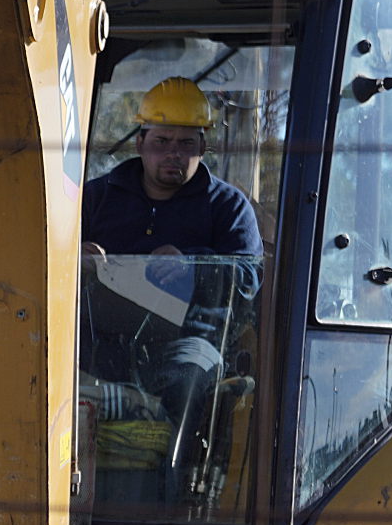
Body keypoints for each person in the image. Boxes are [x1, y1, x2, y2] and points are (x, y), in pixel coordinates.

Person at [79, 76, 263, 443]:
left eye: (185, 144)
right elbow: (48, 250)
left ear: (203, 147)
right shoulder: (96, 198)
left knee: (188, 379)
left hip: (188, 341)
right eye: (161, 142)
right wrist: (77, 255)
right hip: (99, 341)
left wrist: (193, 266)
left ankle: (174, 490)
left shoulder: (227, 206)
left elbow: (248, 278)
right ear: (140, 142)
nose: (172, 153)